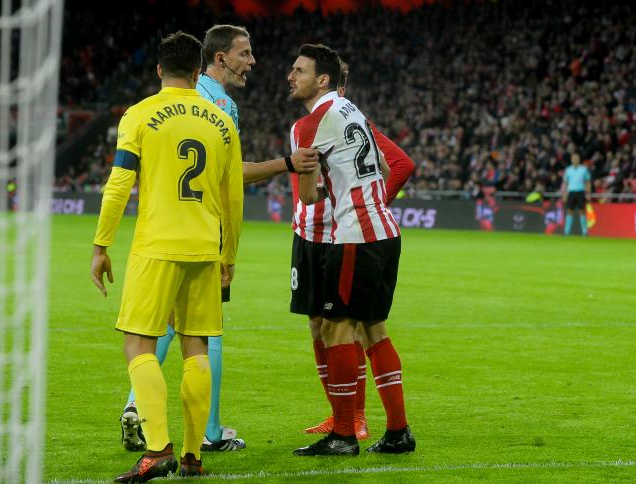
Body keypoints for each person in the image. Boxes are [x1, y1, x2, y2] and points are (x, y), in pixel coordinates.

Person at [119, 24, 318, 453]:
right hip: (205, 231)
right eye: (245, 53)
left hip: (162, 231)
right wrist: (286, 163)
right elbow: (233, 175)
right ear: (219, 58)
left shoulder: (178, 99)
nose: (252, 61)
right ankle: (208, 432)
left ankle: (137, 404)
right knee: (207, 335)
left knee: (165, 325)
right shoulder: (221, 105)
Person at [91, 31, 243, 481]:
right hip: (204, 248)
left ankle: (158, 449)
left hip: (156, 246)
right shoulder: (222, 122)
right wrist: (228, 255)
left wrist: (101, 245)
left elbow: (120, 183)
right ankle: (193, 456)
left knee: (138, 343)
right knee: (196, 346)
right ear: (198, 71)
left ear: (159, 69)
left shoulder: (139, 114)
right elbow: (232, 197)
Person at [288, 44, 415, 456]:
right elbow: (388, 166)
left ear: (322, 79)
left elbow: (309, 197)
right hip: (386, 231)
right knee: (374, 329)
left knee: (335, 328)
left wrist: (318, 180)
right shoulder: (353, 110)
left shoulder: (310, 125)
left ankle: (344, 434)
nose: (291, 76)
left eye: (299, 70)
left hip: (355, 236)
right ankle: (398, 432)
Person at [561, 152, 592, 236]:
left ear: (579, 159)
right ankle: (566, 232)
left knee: (582, 211)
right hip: (571, 192)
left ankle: (585, 232)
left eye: (576, 158)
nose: (575, 159)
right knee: (569, 211)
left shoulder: (584, 169)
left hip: (580, 192)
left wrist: (588, 193)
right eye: (573, 158)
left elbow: (588, 182)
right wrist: (564, 194)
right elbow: (565, 183)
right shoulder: (568, 170)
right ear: (571, 160)